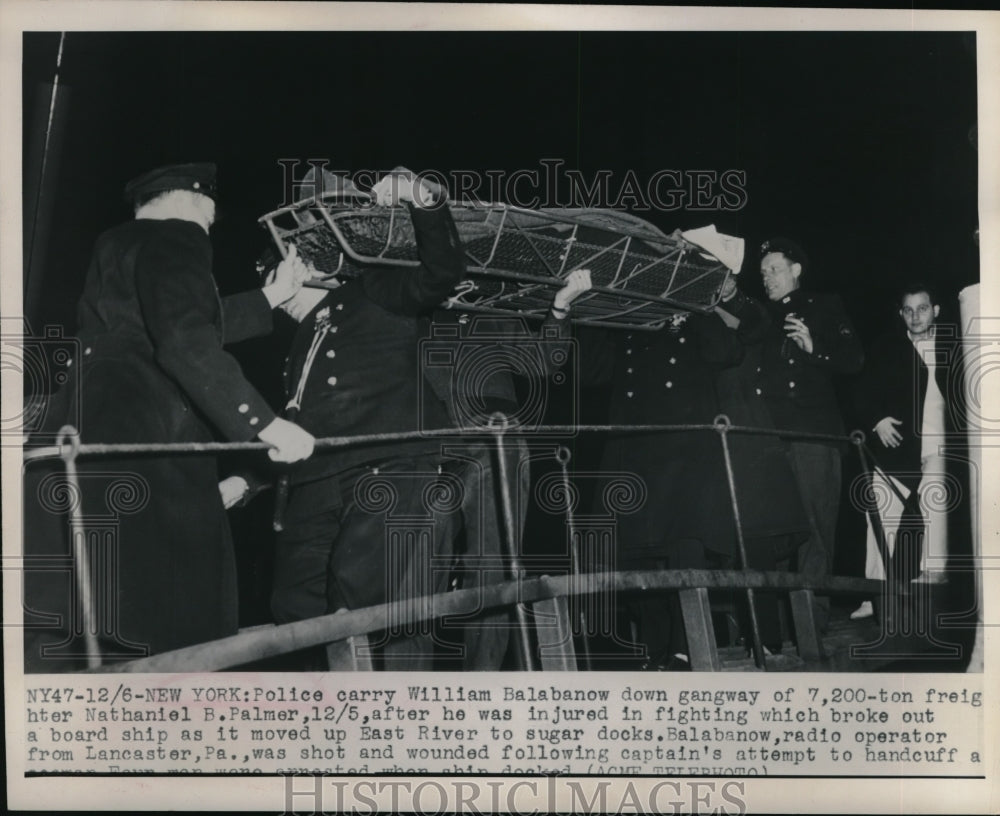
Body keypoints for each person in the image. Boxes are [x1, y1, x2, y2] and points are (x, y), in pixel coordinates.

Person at [23, 162, 315, 672]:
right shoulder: (181, 237)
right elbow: (183, 339)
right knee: (174, 613)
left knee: (99, 599)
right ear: (193, 202)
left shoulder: (116, 245)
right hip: (152, 444)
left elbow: (166, 321)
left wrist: (272, 295)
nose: (209, 226)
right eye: (210, 217)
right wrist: (263, 425)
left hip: (94, 434)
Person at [265, 168, 467, 670]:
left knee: (358, 603)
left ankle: (362, 721)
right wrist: (247, 480)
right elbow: (297, 417)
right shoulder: (307, 331)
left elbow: (441, 272)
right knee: (294, 607)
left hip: (385, 466)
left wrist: (420, 198)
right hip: (317, 477)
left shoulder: (376, 288)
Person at [420, 269, 592, 669]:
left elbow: (543, 361)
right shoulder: (414, 311)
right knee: (418, 564)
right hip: (427, 445)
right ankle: (407, 684)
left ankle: (484, 679)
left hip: (494, 439)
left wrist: (560, 307)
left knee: (493, 565)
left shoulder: (491, 308)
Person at [580, 293, 745, 669]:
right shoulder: (627, 323)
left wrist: (701, 305)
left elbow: (728, 352)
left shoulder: (693, 317)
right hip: (634, 454)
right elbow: (590, 371)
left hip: (685, 455)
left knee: (686, 552)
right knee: (635, 556)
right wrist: (589, 313)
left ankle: (685, 647)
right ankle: (656, 649)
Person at [753, 237, 864, 632]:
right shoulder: (760, 316)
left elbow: (854, 361)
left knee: (815, 534)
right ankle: (779, 630)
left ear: (796, 270)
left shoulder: (824, 305)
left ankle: (810, 628)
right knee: (777, 533)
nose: (767, 278)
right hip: (769, 439)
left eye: (775, 269)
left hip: (815, 436)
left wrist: (815, 347)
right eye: (763, 273)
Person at [713, 276, 811, 655]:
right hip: (711, 432)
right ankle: (726, 638)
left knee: (758, 537)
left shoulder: (751, 312)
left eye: (725, 278)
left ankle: (768, 637)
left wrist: (721, 300)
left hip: (750, 435)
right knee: (720, 542)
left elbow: (753, 327)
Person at [851, 283, 959, 618]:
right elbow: (862, 390)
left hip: (943, 444)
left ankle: (934, 575)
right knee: (880, 514)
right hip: (899, 446)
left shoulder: (954, 347)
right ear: (901, 314)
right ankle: (874, 593)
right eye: (908, 310)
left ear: (936, 310)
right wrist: (877, 419)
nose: (915, 316)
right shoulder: (887, 347)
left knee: (935, 497)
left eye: (923, 308)